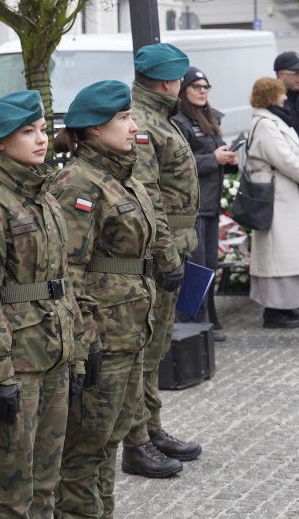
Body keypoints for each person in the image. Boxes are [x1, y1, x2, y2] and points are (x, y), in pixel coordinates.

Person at [0, 89, 85, 518]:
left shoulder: (42, 196)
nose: (41, 139)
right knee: (12, 496)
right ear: (0, 143)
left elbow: (61, 282)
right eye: (27, 132)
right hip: (16, 364)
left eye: (42, 129)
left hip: (54, 354)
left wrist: (77, 351)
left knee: (46, 486)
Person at [50, 80, 160, 514]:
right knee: (83, 451)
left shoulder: (118, 175)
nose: (133, 127)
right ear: (94, 129)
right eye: (124, 118)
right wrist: (84, 338)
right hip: (103, 337)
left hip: (129, 330)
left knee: (108, 442)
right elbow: (68, 273)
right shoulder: (79, 183)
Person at [120, 43, 202, 479]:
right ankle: (136, 443)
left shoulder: (156, 116)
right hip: (156, 253)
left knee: (155, 351)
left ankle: (151, 428)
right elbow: (147, 196)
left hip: (171, 246)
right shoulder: (143, 123)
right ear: (169, 81)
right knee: (144, 351)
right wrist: (166, 253)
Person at [245, 77, 299, 328]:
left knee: (286, 251)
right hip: (277, 196)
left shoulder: (274, 120)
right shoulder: (266, 124)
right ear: (270, 96)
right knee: (278, 253)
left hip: (284, 194)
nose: (285, 97)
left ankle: (287, 307)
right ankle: (276, 310)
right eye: (280, 93)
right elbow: (285, 159)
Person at [172, 66, 238, 340]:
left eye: (206, 87)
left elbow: (213, 156)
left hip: (210, 203)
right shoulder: (179, 120)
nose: (202, 91)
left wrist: (229, 160)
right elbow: (178, 165)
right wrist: (214, 159)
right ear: (184, 89)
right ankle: (192, 326)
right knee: (196, 267)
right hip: (192, 206)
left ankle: (207, 321)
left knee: (209, 265)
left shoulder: (208, 117)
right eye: (196, 87)